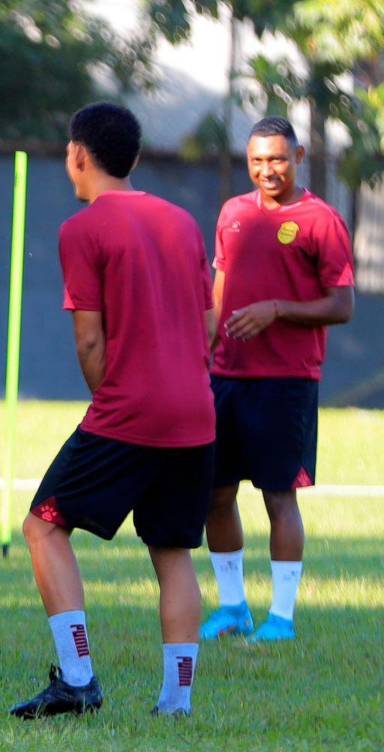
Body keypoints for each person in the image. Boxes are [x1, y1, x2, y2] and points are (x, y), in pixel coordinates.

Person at [9, 103, 215, 719]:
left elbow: (90, 341)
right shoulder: (181, 221)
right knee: (172, 552)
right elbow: (208, 324)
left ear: (78, 153)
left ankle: (78, 680)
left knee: (44, 525)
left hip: (129, 412)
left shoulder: (83, 229)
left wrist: (110, 400)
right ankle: (175, 702)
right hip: (196, 415)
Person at [200, 117, 355, 643]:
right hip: (226, 378)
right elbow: (220, 295)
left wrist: (277, 310)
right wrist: (203, 352)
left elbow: (342, 305)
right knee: (215, 495)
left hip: (286, 380)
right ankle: (233, 607)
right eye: (258, 161)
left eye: (278, 159)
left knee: (277, 496)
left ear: (300, 156)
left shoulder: (321, 220)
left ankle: (282, 619)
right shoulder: (233, 213)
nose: (268, 170)